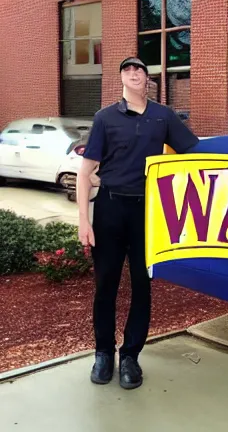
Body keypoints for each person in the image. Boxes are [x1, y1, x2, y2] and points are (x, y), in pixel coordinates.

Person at [77, 56, 199, 390]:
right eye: (128, 70)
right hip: (109, 211)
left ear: (148, 79)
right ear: (121, 79)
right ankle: (103, 353)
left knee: (142, 288)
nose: (134, 74)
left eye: (140, 70)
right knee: (106, 286)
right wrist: (83, 222)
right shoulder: (105, 118)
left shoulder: (163, 116)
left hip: (147, 214)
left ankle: (130, 356)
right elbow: (86, 173)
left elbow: (194, 154)